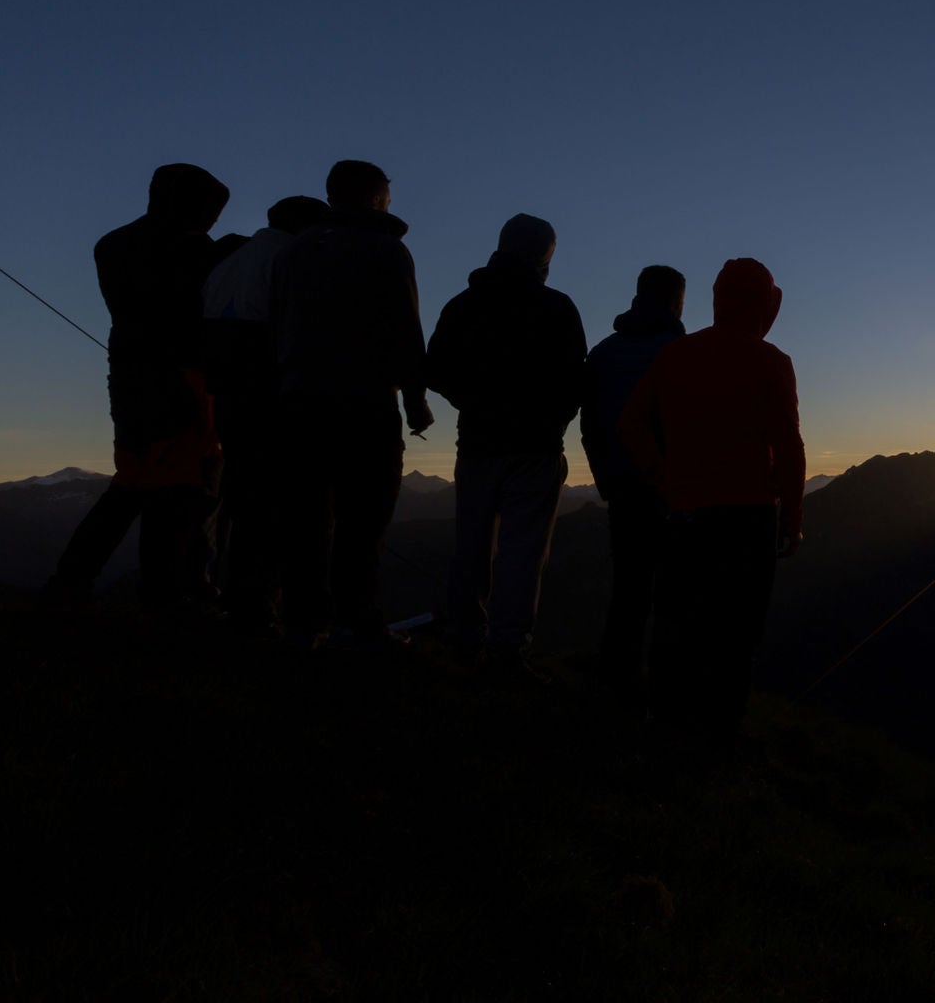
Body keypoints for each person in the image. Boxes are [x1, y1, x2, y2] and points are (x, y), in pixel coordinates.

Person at [619, 257, 804, 754]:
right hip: (750, 517)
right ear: (765, 305)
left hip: (685, 513)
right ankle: (722, 729)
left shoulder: (678, 356)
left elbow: (631, 426)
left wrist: (664, 477)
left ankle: (665, 720)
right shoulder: (772, 362)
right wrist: (793, 518)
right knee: (737, 628)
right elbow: (788, 447)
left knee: (678, 617)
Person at [46, 163, 231, 616]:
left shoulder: (112, 245)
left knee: (133, 480)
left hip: (128, 375)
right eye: (209, 211)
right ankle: (165, 595)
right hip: (186, 376)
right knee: (183, 486)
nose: (212, 222)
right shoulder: (196, 251)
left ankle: (72, 582)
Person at [271, 160, 433, 646]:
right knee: (363, 518)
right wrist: (415, 401)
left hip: (297, 402)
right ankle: (356, 620)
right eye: (386, 196)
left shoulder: (295, 251)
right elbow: (406, 330)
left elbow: (277, 325)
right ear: (375, 198)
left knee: (305, 517)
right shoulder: (386, 249)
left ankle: (302, 622)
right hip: (364, 403)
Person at [425, 214, 587, 670]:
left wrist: (472, 400)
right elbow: (577, 379)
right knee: (523, 552)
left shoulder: (464, 305)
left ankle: (462, 638)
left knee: (471, 545)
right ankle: (507, 650)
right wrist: (554, 417)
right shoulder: (557, 308)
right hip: (536, 448)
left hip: (477, 442)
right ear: (543, 256)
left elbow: (435, 369)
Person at [201, 194, 330, 633]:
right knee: (279, 506)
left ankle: (236, 598)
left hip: (228, 398)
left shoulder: (229, 263)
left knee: (242, 499)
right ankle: (261, 608)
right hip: (272, 397)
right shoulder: (291, 261)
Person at [580, 264, 686, 689]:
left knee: (629, 589)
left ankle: (615, 681)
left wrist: (604, 476)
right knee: (675, 592)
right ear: (676, 301)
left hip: (621, 485)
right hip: (674, 488)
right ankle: (665, 688)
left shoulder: (603, 353)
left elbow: (590, 425)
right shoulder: (682, 353)